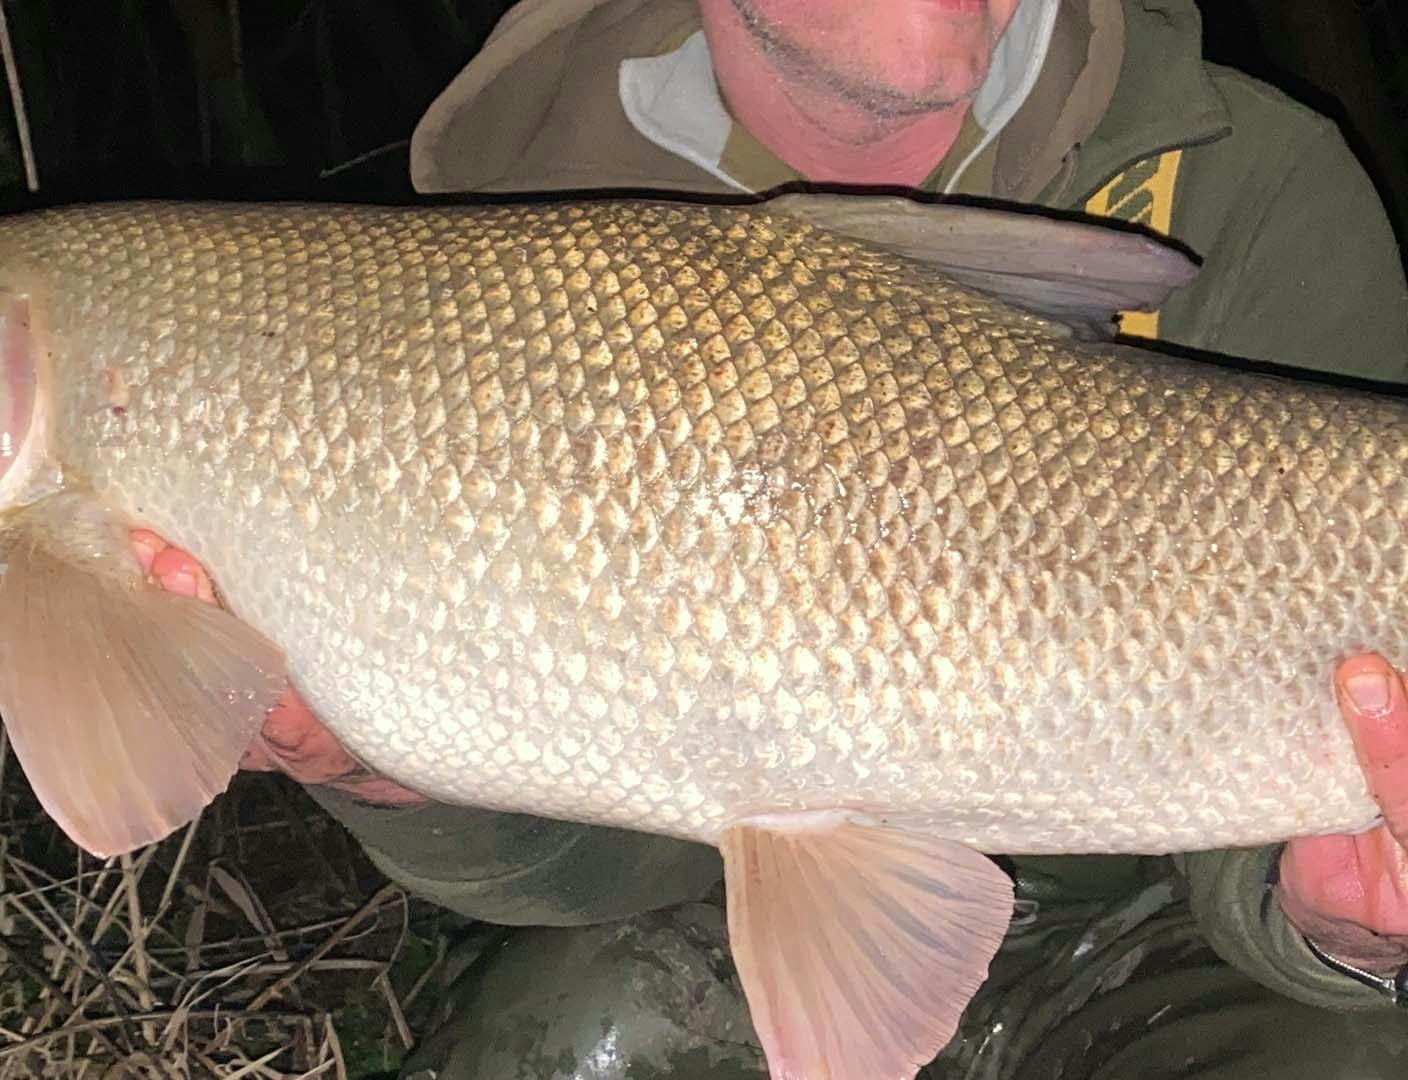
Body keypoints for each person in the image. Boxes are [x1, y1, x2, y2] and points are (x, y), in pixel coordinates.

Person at [134, 0, 1408, 1074]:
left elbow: (1267, 812)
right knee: (568, 1030)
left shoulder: (1256, 179)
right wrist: (372, 773)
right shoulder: (497, 237)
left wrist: (1342, 923)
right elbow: (606, 857)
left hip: (1147, 923)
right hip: (726, 915)